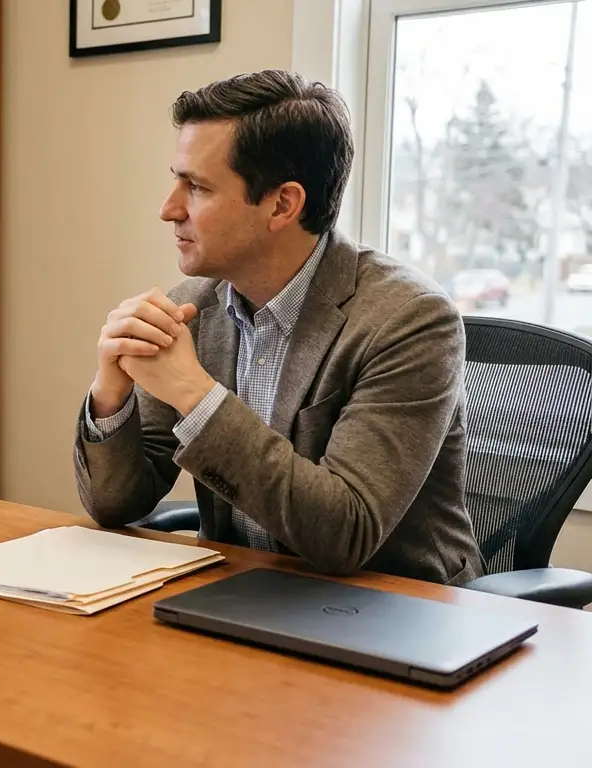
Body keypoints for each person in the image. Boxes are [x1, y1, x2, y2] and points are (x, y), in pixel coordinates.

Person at [73, 70, 483, 586]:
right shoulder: (192, 308)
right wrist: (111, 393)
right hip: (244, 595)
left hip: (397, 613)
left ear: (282, 205)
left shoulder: (410, 319)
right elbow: (116, 504)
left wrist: (195, 396)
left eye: (196, 187)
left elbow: (344, 533)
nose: (168, 208)